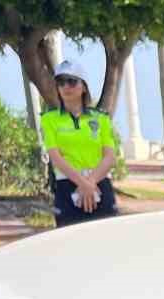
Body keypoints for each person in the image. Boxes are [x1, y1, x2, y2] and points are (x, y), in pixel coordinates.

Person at [40, 60, 119, 227]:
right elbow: (56, 157)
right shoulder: (49, 120)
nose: (66, 87)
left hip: (99, 184)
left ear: (84, 87)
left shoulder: (101, 119)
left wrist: (90, 182)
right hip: (67, 185)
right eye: (61, 83)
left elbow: (109, 156)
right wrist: (83, 184)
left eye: (72, 81)